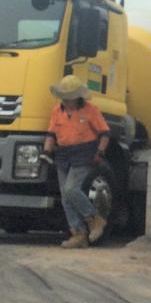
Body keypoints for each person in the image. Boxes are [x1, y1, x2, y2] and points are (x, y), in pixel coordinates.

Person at [42, 74, 110, 248]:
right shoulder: (57, 110)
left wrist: (100, 151)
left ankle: (95, 219)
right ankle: (78, 232)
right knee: (66, 197)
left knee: (71, 189)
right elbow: (51, 133)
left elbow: (104, 133)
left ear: (77, 97)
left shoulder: (90, 110)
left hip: (84, 153)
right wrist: (46, 151)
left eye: (69, 97)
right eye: (64, 97)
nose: (66, 101)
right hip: (63, 155)